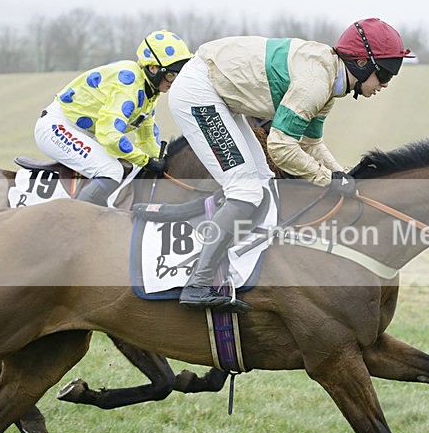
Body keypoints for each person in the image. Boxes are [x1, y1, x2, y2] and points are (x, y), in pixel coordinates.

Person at [168, 18, 413, 312]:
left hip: (219, 92)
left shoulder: (330, 79)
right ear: (361, 63)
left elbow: (310, 144)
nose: (385, 84)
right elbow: (281, 146)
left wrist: (343, 176)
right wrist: (327, 179)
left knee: (262, 180)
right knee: (246, 190)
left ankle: (236, 264)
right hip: (200, 92)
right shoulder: (315, 84)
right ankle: (199, 283)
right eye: (385, 73)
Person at [35, 30, 193, 206]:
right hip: (57, 127)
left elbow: (146, 136)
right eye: (171, 74)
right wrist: (146, 160)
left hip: (83, 132)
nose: (174, 82)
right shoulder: (128, 85)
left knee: (134, 169)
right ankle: (74, 222)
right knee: (111, 170)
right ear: (153, 68)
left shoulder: (149, 91)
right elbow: (110, 136)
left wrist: (159, 158)